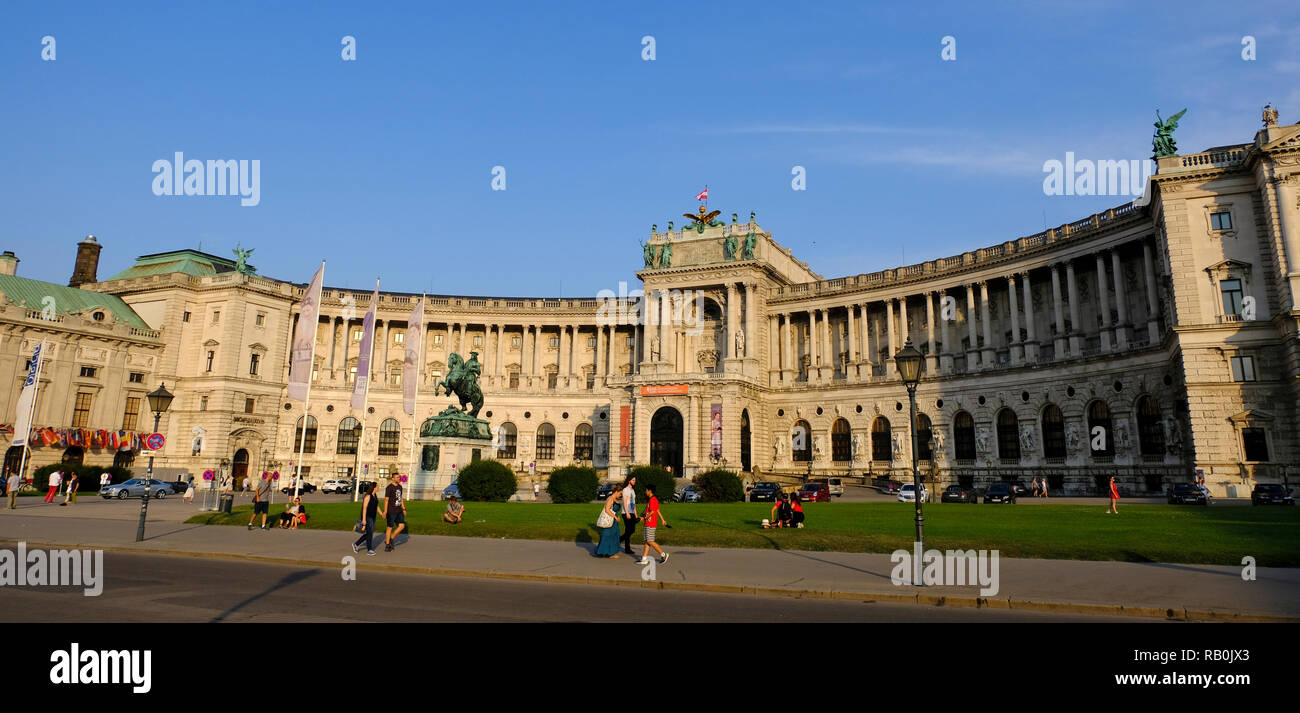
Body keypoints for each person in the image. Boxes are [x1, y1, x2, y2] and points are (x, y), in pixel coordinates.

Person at [638, 483, 669, 565]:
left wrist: (644, 518)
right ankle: (644, 559)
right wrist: (663, 520)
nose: (645, 492)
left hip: (651, 523)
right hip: (648, 523)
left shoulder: (653, 500)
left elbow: (652, 512)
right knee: (647, 541)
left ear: (649, 491)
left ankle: (664, 554)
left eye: (646, 490)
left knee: (650, 541)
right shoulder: (652, 499)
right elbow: (657, 510)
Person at [594, 487, 622, 558]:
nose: (620, 495)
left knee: (614, 535)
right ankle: (607, 553)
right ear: (616, 492)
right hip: (610, 520)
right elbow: (607, 510)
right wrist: (615, 517)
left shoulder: (615, 499)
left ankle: (609, 552)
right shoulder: (610, 499)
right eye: (620, 493)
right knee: (607, 535)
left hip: (614, 521)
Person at [381, 474, 406, 552]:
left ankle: (391, 538)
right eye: (397, 477)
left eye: (399, 477)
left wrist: (404, 508)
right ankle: (387, 545)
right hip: (391, 511)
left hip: (399, 510)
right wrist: (385, 511)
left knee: (402, 526)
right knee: (389, 527)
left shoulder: (400, 487)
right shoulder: (389, 488)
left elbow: (400, 498)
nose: (399, 478)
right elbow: (386, 500)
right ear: (393, 479)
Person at [352, 482, 379, 555]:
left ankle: (356, 544)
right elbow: (364, 508)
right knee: (370, 533)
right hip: (367, 516)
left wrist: (381, 513)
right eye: (377, 486)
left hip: (373, 516)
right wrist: (363, 519)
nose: (378, 488)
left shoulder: (375, 495)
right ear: (374, 487)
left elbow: (376, 505)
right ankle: (369, 549)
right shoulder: (368, 496)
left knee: (369, 533)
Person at [619, 476, 638, 555]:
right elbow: (624, 502)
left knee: (631, 530)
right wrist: (627, 513)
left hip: (632, 512)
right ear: (629, 480)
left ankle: (619, 541)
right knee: (629, 530)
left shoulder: (632, 490)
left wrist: (635, 513)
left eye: (635, 480)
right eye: (633, 480)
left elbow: (633, 503)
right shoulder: (625, 490)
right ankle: (626, 548)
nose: (634, 481)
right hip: (626, 513)